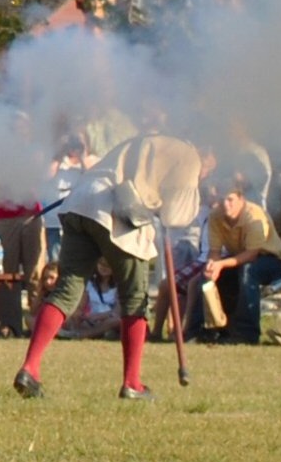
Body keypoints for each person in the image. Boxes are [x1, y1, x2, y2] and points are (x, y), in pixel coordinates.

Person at [14, 133, 200, 398]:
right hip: (119, 210)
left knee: (66, 292)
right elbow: (176, 216)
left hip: (81, 202)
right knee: (135, 300)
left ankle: (30, 368)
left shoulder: (144, 139)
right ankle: (132, 383)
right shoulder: (188, 155)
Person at [197, 177, 281, 344]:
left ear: (241, 199)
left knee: (248, 271)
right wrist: (212, 265)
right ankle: (217, 329)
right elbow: (215, 251)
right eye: (222, 200)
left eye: (230, 199)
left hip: (272, 261)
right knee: (207, 277)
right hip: (241, 260)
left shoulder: (253, 215)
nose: (226, 204)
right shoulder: (215, 217)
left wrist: (220, 264)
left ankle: (247, 333)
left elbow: (252, 254)